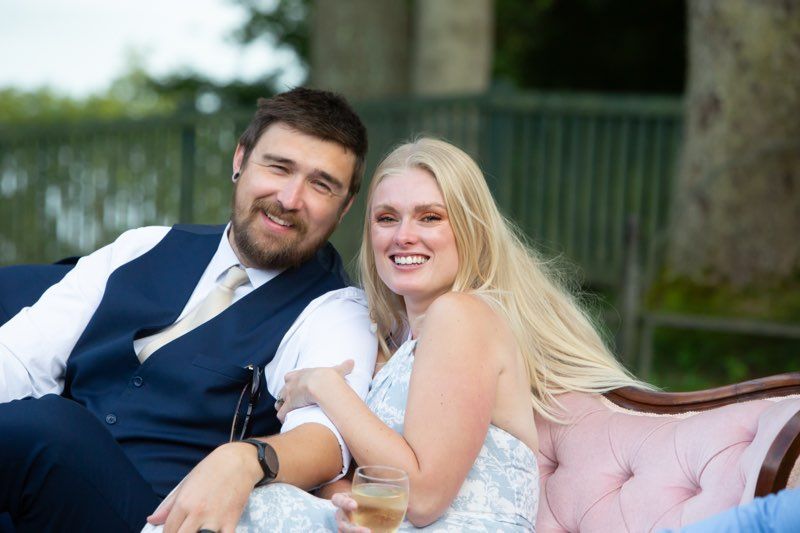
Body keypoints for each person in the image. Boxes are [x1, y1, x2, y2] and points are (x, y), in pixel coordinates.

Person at [214, 138, 645, 532]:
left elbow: (420, 498)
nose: (404, 236)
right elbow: (374, 487)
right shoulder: (396, 343)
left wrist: (326, 387)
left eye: (430, 217)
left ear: (470, 228)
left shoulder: (462, 315)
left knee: (244, 508)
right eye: (387, 218)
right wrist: (346, 503)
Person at [0, 87, 377, 533]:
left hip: (155, 519)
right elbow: (20, 357)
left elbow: (326, 438)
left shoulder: (336, 310)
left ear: (344, 208)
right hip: (34, 497)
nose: (291, 198)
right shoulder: (143, 246)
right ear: (240, 160)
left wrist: (248, 458)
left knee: (48, 427)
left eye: (321, 185)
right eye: (278, 167)